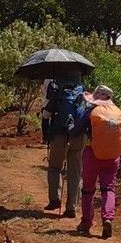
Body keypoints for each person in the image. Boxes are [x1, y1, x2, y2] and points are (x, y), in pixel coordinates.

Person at [76, 85, 121, 239]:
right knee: (108, 188)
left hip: (92, 153)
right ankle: (108, 218)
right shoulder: (117, 111)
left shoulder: (91, 110)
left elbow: (77, 128)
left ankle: (86, 222)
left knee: (88, 189)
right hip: (113, 155)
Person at [40, 76, 91, 217]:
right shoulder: (83, 93)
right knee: (75, 172)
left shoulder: (59, 92)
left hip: (59, 135)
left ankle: (55, 199)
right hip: (79, 136)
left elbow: (46, 115)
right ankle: (71, 208)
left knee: (55, 167)